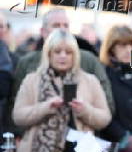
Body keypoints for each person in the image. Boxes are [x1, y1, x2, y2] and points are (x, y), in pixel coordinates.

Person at [12, 29, 111, 152]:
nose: (63, 56)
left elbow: (104, 118)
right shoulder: (32, 79)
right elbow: (18, 116)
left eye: (68, 52)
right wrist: (45, 107)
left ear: (75, 55)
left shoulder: (88, 80)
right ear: (48, 54)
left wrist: (85, 110)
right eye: (57, 52)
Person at [9, 8, 115, 136]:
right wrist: (45, 108)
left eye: (65, 25)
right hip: (38, 144)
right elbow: (15, 107)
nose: (61, 29)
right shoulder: (29, 67)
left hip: (80, 144)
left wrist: (84, 110)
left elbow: (106, 109)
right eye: (56, 25)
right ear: (43, 32)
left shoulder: (89, 62)